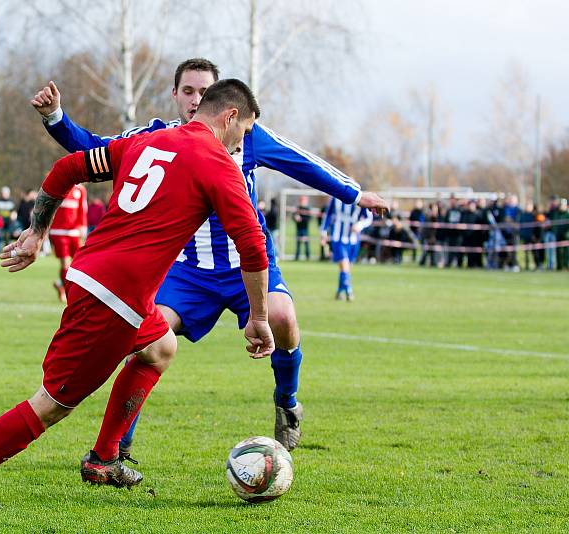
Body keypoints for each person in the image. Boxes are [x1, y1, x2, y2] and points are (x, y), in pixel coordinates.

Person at [0, 78, 273, 508]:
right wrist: (258, 318)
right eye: (244, 131)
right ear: (230, 116)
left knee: (160, 347)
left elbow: (67, 168)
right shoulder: (219, 164)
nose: (243, 141)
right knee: (52, 403)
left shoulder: (147, 142)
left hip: (96, 274)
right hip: (114, 298)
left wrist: (38, 230)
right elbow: (253, 245)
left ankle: (104, 458)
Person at [32, 58, 388, 455]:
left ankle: (287, 403)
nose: (194, 99)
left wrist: (355, 194)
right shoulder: (156, 135)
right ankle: (116, 444)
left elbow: (301, 162)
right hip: (186, 272)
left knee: (284, 319)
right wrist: (56, 118)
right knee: (144, 340)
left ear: (222, 101)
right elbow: (96, 149)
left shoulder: (247, 136)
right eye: (187, 91)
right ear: (175, 95)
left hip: (246, 267)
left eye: (203, 92)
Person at [320, 197, 373, 300]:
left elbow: (368, 218)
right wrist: (323, 232)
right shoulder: (335, 198)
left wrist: (359, 225)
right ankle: (349, 291)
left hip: (353, 239)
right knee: (344, 266)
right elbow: (328, 215)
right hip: (338, 238)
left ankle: (339, 291)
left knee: (347, 268)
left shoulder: (358, 198)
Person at [48, 183, 87, 302]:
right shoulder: (60, 184)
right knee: (65, 263)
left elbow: (82, 210)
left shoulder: (80, 190)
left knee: (79, 264)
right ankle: (68, 293)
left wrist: (83, 227)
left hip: (74, 232)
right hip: (59, 232)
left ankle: (61, 284)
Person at [292, 196, 311, 261]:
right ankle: (297, 256)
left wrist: (301, 219)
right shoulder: (297, 208)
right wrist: (295, 218)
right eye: (301, 200)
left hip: (305, 228)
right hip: (298, 228)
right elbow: (293, 216)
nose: (302, 201)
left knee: (306, 243)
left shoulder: (307, 208)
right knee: (298, 243)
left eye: (303, 200)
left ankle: (308, 256)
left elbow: (309, 218)